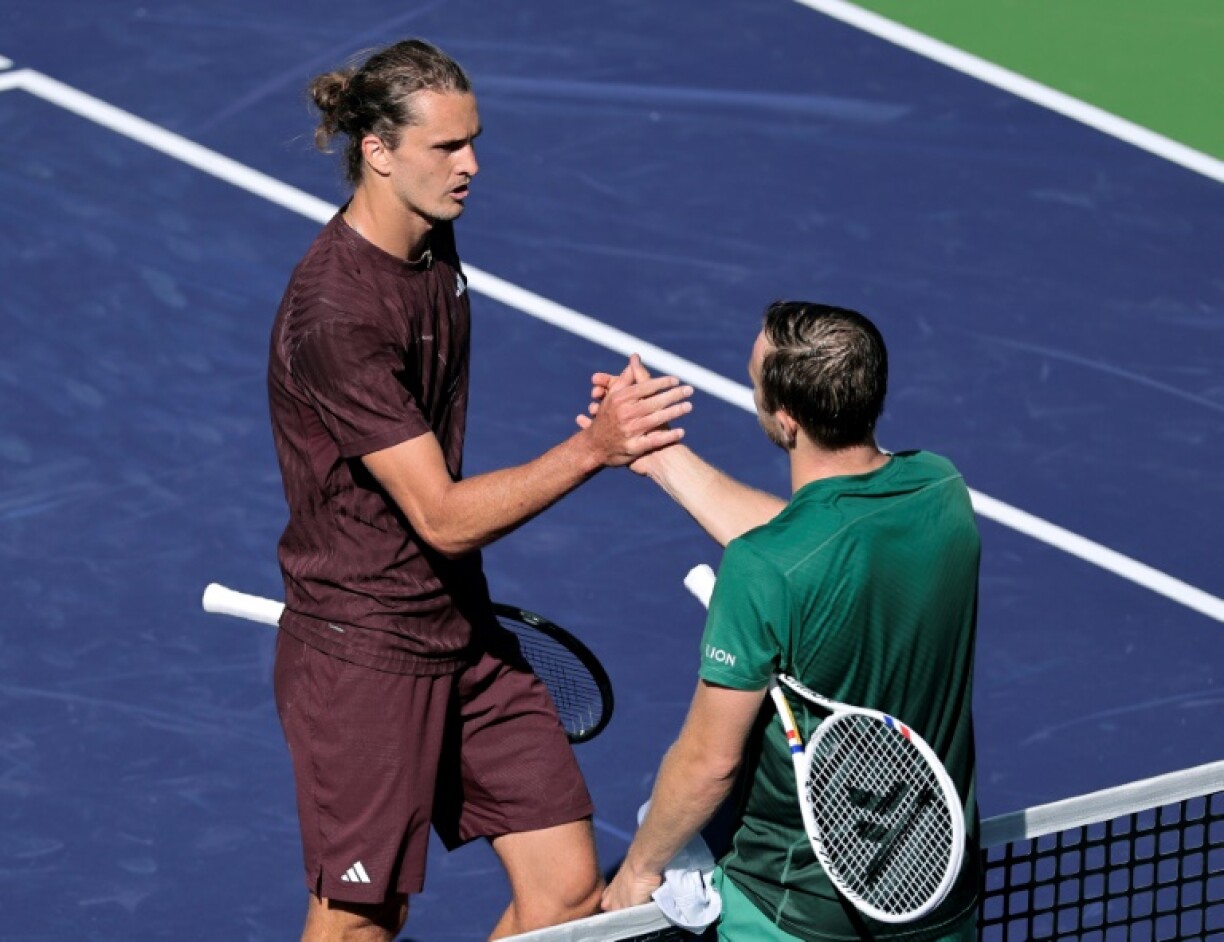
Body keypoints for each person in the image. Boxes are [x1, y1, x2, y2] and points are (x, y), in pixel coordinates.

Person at [266, 39, 693, 942]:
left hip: (460, 630)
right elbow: (442, 517)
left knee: (568, 889)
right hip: (366, 653)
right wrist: (593, 448)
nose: (472, 165)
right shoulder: (335, 315)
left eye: (474, 141)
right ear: (377, 151)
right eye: (446, 148)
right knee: (360, 920)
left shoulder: (433, 246)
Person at [597, 301, 981, 941]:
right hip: (939, 897)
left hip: (792, 912)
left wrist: (638, 870)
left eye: (754, 382)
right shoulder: (943, 492)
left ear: (784, 419)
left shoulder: (764, 571)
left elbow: (708, 764)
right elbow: (819, 543)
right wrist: (661, 456)